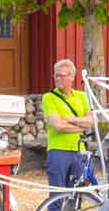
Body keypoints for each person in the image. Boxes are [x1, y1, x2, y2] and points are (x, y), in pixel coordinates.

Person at [41, 60, 95, 189]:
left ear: (71, 77)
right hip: (58, 150)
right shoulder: (49, 97)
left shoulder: (82, 96)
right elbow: (58, 126)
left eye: (61, 75)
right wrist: (82, 124)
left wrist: (70, 119)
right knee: (57, 196)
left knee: (78, 195)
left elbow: (92, 122)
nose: (57, 78)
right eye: (56, 75)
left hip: (79, 150)